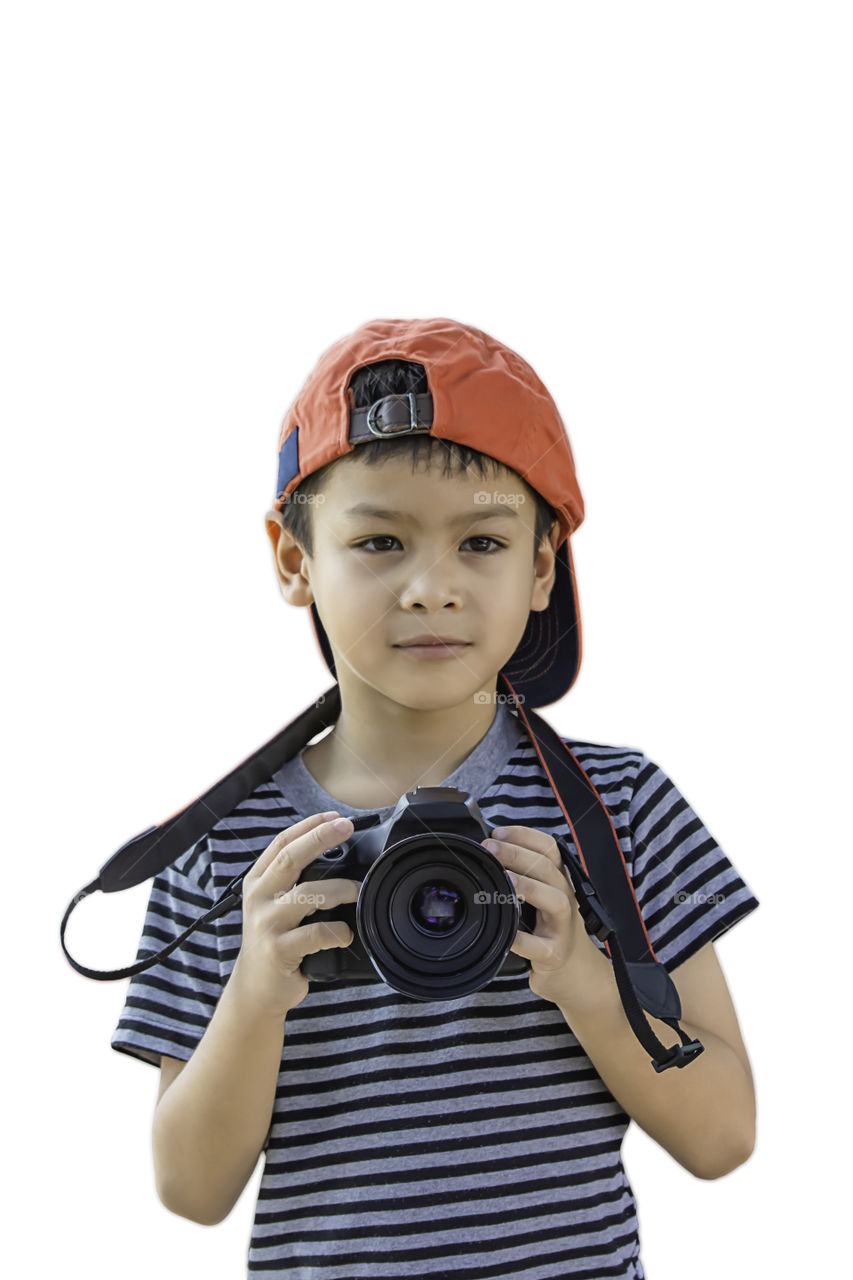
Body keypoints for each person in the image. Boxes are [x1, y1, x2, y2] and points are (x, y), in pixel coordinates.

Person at [111, 316, 759, 1279]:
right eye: (377, 540)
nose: (430, 588)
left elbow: (722, 1138)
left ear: (543, 565)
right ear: (294, 561)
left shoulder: (620, 808)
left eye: (483, 543)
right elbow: (191, 1192)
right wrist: (255, 992)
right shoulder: (225, 845)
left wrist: (586, 977)